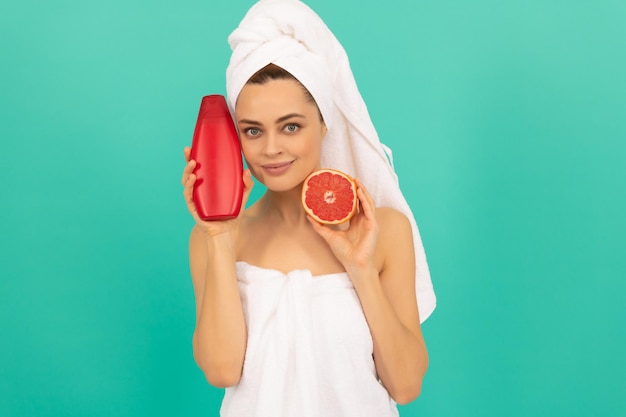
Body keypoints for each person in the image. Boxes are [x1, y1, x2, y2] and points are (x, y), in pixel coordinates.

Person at [181, 1, 436, 415]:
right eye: (252, 131)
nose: (271, 148)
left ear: (324, 124)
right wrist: (220, 240)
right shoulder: (215, 237)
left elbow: (405, 387)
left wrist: (361, 270)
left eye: (291, 126)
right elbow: (222, 370)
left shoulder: (383, 231)